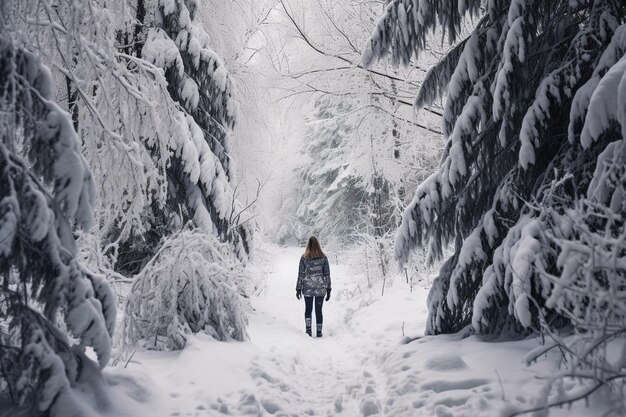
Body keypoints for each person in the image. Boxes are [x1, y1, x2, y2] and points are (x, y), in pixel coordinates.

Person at [296, 236, 331, 337]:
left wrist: (298, 288)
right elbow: (327, 274)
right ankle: (319, 332)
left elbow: (301, 274)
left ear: (308, 245)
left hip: (307, 288)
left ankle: (308, 331)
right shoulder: (324, 258)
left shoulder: (304, 258)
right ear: (318, 245)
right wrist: (328, 288)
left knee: (308, 309)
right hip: (320, 288)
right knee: (319, 311)